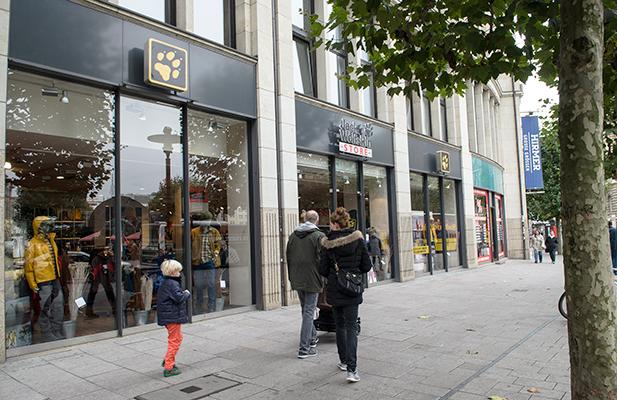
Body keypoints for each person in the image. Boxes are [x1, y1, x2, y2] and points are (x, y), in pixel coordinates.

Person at [319, 207, 372, 383]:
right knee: (351, 327)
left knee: (339, 325)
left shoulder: (327, 244)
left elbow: (323, 270)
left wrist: (336, 275)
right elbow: (367, 266)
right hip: (352, 289)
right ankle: (352, 369)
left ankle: (343, 361)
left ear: (335, 224)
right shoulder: (358, 240)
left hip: (335, 289)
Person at [286, 210, 325, 359]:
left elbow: (288, 256)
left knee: (306, 310)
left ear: (304, 219)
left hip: (297, 277)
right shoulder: (319, 236)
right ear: (317, 219)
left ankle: (312, 337)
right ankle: (304, 348)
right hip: (312, 278)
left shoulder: (293, 236)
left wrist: (291, 276)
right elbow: (323, 259)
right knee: (309, 311)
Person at [24, 216, 64, 342]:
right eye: (47, 225)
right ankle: (47, 333)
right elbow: (28, 266)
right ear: (39, 227)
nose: (50, 227)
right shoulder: (32, 244)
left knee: (58, 305)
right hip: (43, 281)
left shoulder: (52, 240)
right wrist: (32, 283)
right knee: (44, 308)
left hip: (55, 278)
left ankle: (56, 330)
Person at [157, 259, 191, 377]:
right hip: (172, 317)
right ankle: (169, 367)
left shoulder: (167, 282)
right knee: (175, 341)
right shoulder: (172, 284)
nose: (179, 273)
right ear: (172, 272)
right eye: (178, 271)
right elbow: (179, 298)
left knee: (177, 338)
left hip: (169, 316)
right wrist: (186, 293)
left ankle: (168, 359)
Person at [191, 212, 222, 313]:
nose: (207, 222)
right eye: (205, 220)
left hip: (210, 261)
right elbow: (189, 246)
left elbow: (218, 244)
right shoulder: (194, 232)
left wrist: (216, 253)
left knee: (211, 284)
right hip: (198, 261)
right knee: (199, 285)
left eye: (209, 220)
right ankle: (199, 307)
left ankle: (211, 307)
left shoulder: (214, 232)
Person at [85, 247, 116, 318]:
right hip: (100, 274)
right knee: (108, 291)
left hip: (99, 275)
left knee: (94, 292)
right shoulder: (103, 256)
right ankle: (115, 308)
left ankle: (89, 310)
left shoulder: (97, 255)